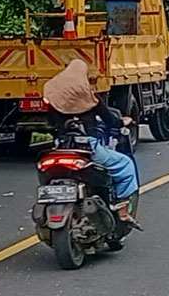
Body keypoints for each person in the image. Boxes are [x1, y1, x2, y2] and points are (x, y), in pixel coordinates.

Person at [42, 59, 139, 223]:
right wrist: (124, 121)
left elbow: (51, 124)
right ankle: (122, 212)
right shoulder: (90, 99)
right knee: (126, 165)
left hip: (61, 147)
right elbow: (111, 121)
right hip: (88, 148)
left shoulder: (53, 99)